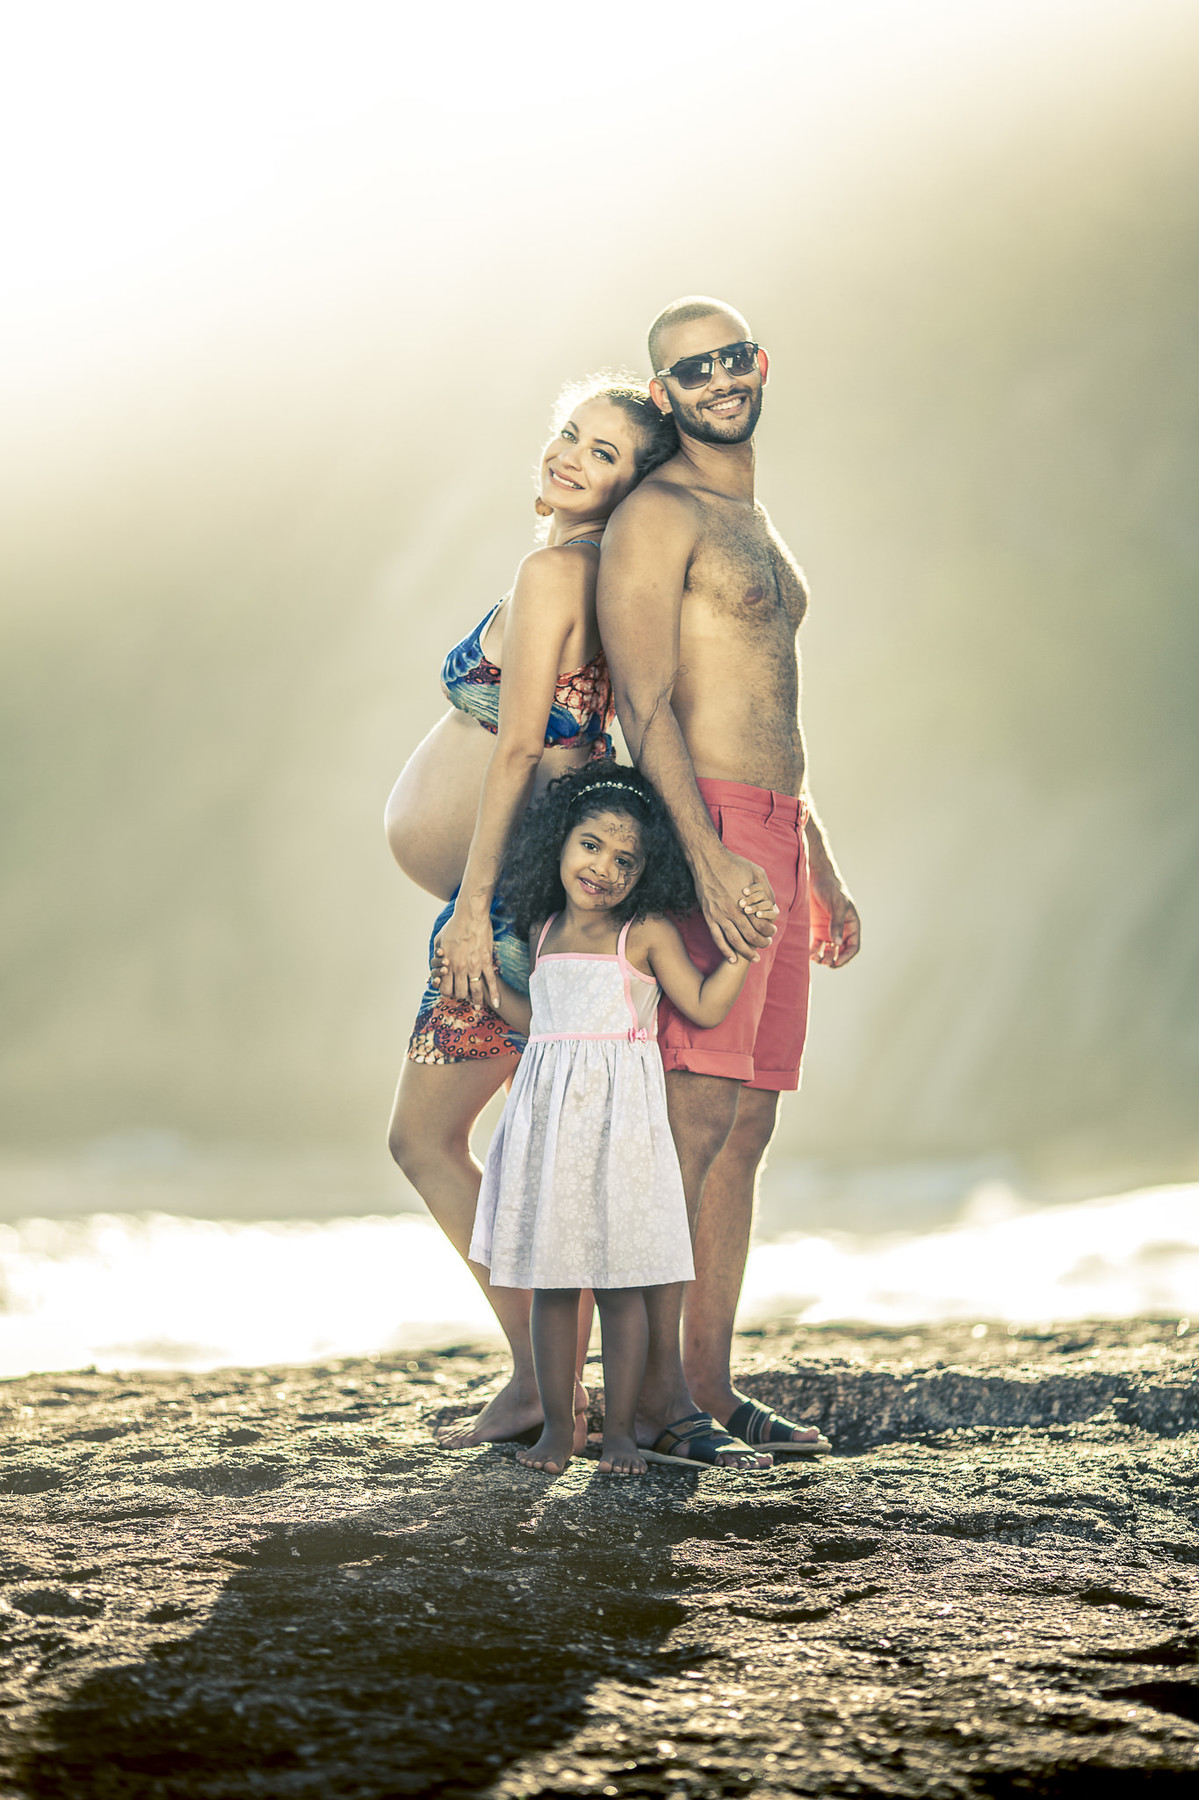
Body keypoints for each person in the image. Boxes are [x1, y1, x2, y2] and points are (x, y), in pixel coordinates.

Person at [385, 378, 676, 1449]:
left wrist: (469, 910)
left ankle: (537, 1388)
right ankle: (545, 1386)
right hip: (518, 891)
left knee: (426, 1140)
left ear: (629, 486)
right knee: (506, 1151)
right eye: (568, 434)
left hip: (503, 900)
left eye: (600, 454)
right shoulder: (601, 578)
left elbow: (521, 749)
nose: (567, 457)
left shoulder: (556, 570)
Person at [596, 296, 861, 1465]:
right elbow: (646, 700)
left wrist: (815, 863)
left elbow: (773, 703)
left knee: (745, 1123)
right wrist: (701, 857)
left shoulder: (749, 514)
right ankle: (648, 1404)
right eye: (687, 369)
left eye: (729, 358)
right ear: (665, 395)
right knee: (689, 1114)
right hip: (702, 822)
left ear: (758, 366)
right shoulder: (657, 514)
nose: (715, 378)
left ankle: (706, 1387)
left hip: (774, 829)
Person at [469, 762, 776, 1475]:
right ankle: (557, 1427)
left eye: (624, 860)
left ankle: (621, 1438)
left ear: (646, 873)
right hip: (549, 1131)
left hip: (619, 1132)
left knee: (621, 1284)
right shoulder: (541, 932)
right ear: (558, 844)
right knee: (551, 1281)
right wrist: (488, 990)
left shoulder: (642, 935)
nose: (604, 868)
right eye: (590, 846)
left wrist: (742, 951)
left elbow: (701, 1006)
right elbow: (537, 1022)